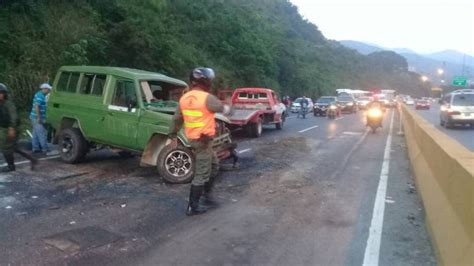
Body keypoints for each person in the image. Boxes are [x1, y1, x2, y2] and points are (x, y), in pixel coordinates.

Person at [169, 67, 228, 216]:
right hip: (203, 141)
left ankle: (206, 196)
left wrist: (172, 136)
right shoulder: (206, 98)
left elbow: (176, 120)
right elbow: (222, 108)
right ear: (206, 81)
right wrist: (227, 106)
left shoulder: (184, 98)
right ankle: (192, 206)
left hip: (195, 140)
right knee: (202, 173)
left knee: (214, 166)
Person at [0, 83, 38, 172]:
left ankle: (11, 167)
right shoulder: (1, 104)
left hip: (11, 128)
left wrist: (11, 128)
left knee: (6, 148)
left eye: (1, 93)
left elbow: (14, 116)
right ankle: (33, 159)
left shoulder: (8, 104)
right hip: (4, 128)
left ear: (4, 94)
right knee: (14, 148)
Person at [30, 83, 51, 154]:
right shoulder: (40, 96)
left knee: (35, 133)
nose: (49, 91)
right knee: (41, 133)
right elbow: (37, 106)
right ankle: (45, 149)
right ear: (44, 89)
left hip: (34, 117)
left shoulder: (40, 95)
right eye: (48, 90)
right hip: (36, 117)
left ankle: (35, 148)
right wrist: (39, 117)